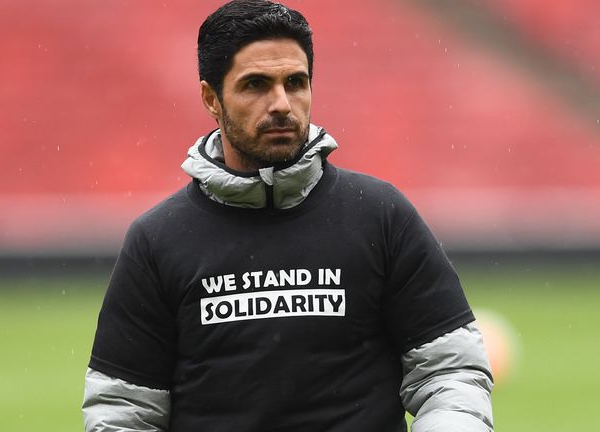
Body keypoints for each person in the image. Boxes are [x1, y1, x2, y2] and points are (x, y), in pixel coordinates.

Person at [82, 1, 494, 431]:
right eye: (256, 84)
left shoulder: (381, 216)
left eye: (295, 82)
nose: (281, 103)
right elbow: (123, 411)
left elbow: (450, 372)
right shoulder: (157, 240)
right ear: (211, 98)